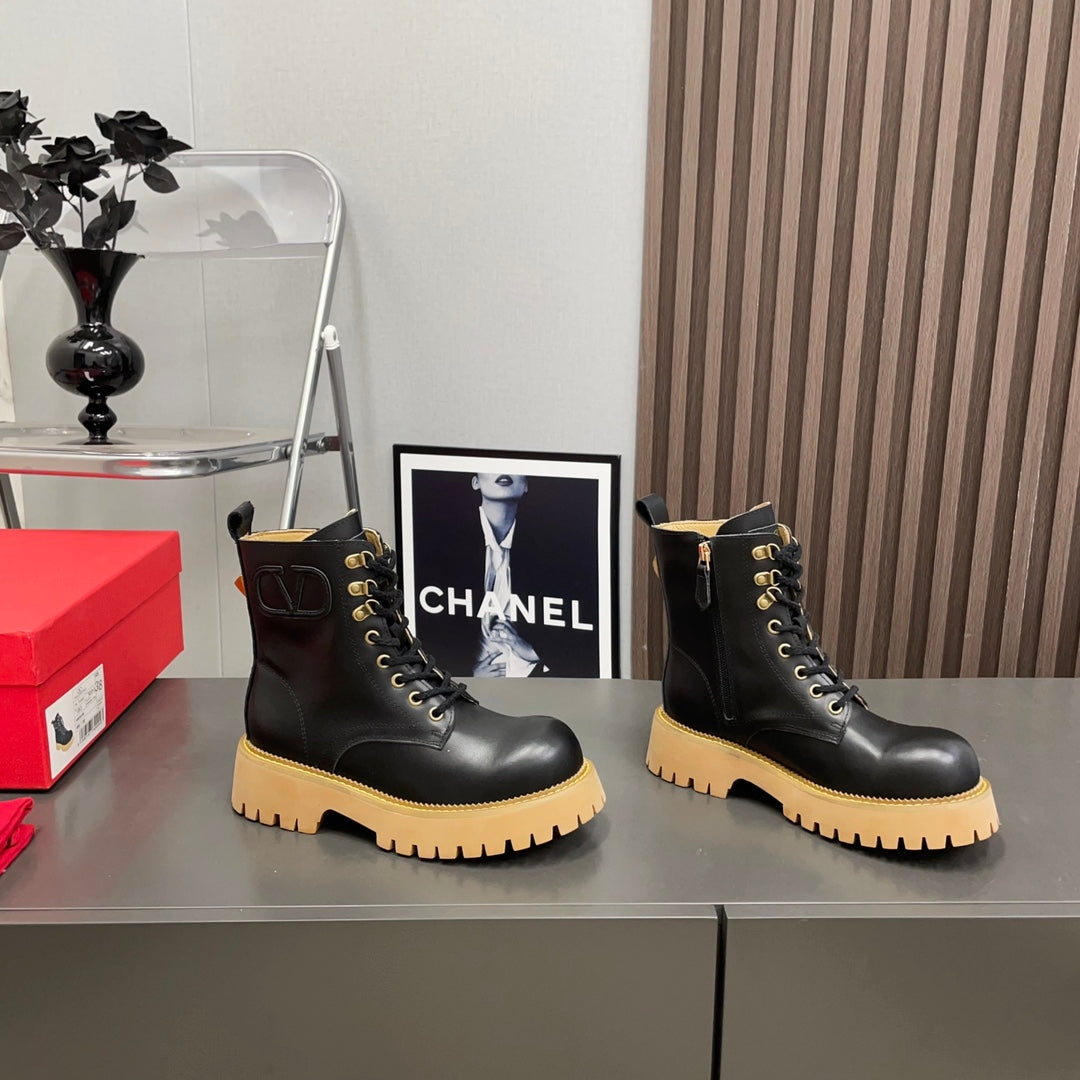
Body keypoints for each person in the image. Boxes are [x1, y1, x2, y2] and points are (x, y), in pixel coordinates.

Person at [409, 469, 602, 678]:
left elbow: (586, 626)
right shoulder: (442, 546)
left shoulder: (554, 549)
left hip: (539, 680)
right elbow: (426, 631)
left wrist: (536, 652)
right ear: (475, 482)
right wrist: (466, 676)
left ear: (526, 485)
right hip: (462, 687)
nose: (503, 471)